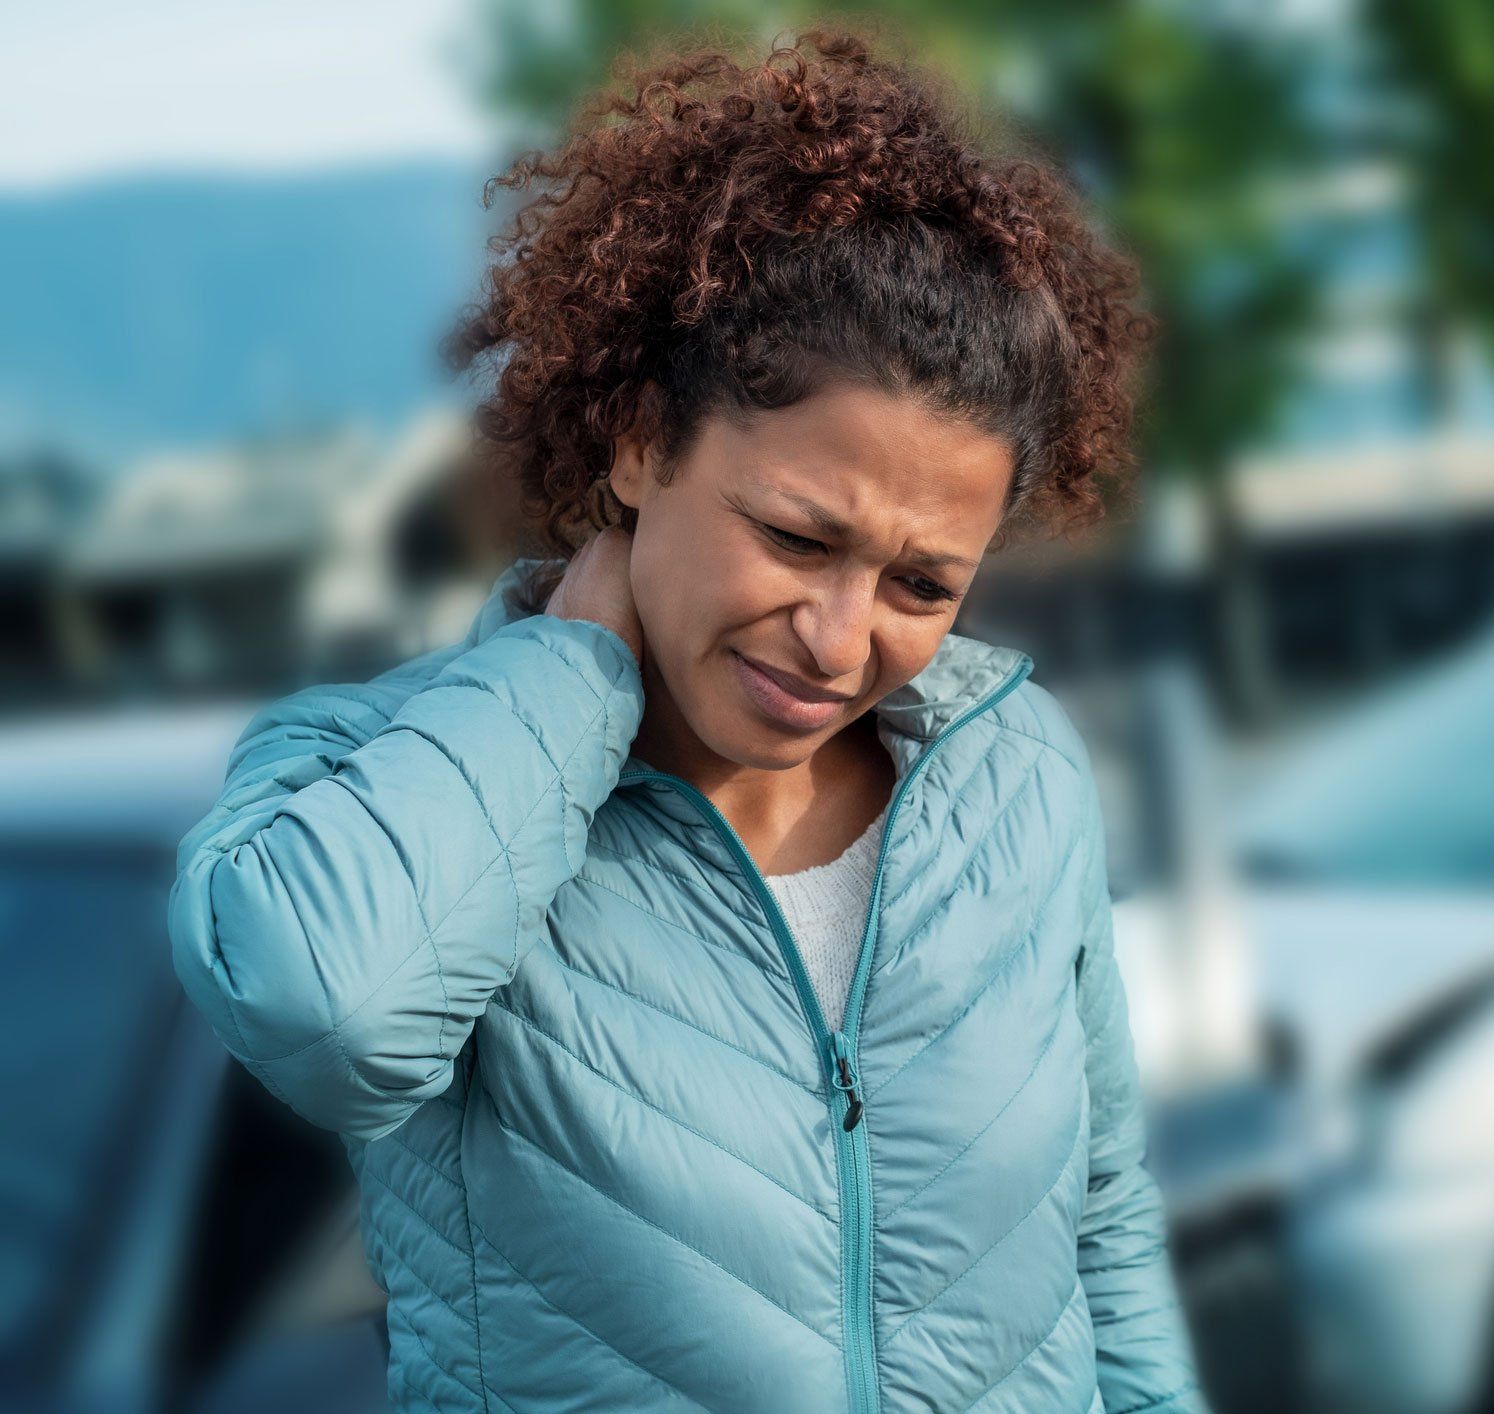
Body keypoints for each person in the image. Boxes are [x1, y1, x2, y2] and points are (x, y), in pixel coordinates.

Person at [167, 26, 1206, 1414]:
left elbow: (1102, 1225)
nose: (842, 639)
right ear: (643, 440)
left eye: (921, 583)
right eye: (793, 535)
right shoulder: (369, 775)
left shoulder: (1015, 771)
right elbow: (326, 1019)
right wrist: (572, 674)